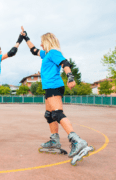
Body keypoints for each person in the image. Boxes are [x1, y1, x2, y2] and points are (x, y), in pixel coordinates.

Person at [21, 27, 91, 163]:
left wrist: (70, 77)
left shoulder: (53, 52)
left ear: (47, 42)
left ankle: (77, 141)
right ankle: (54, 141)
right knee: (49, 115)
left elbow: (65, 62)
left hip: (54, 86)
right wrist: (25, 37)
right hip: (49, 88)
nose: (40, 44)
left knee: (57, 113)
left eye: (42, 42)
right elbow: (33, 50)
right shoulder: (46, 54)